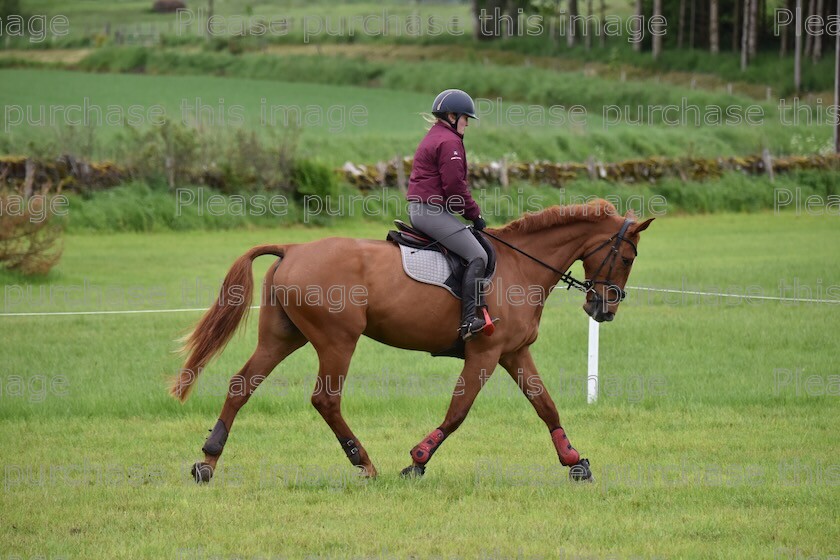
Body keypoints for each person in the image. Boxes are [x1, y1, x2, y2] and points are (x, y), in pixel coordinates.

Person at [406, 88, 491, 341]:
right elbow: (454, 188)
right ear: (453, 116)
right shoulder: (450, 141)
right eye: (466, 118)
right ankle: (468, 321)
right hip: (429, 211)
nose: (467, 123)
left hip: (426, 209)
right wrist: (474, 215)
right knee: (478, 254)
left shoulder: (437, 135)